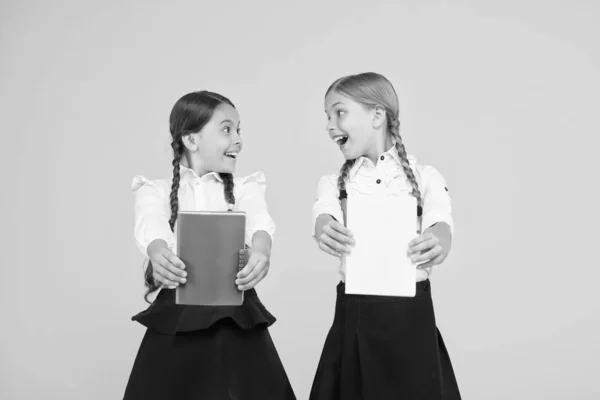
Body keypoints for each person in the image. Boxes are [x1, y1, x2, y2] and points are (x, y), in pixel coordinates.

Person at [123, 90, 295, 400]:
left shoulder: (245, 188)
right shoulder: (155, 191)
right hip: (178, 317)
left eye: (238, 129)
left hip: (236, 316)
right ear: (191, 140)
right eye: (226, 129)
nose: (238, 140)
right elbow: (150, 225)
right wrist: (158, 251)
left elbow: (260, 222)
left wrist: (262, 249)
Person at [310, 72, 461, 400]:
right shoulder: (332, 182)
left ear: (377, 115)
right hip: (354, 312)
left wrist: (438, 242)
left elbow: (441, 224)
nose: (330, 125)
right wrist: (324, 228)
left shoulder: (425, 177)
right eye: (327, 116)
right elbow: (324, 214)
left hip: (411, 318)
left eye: (339, 112)